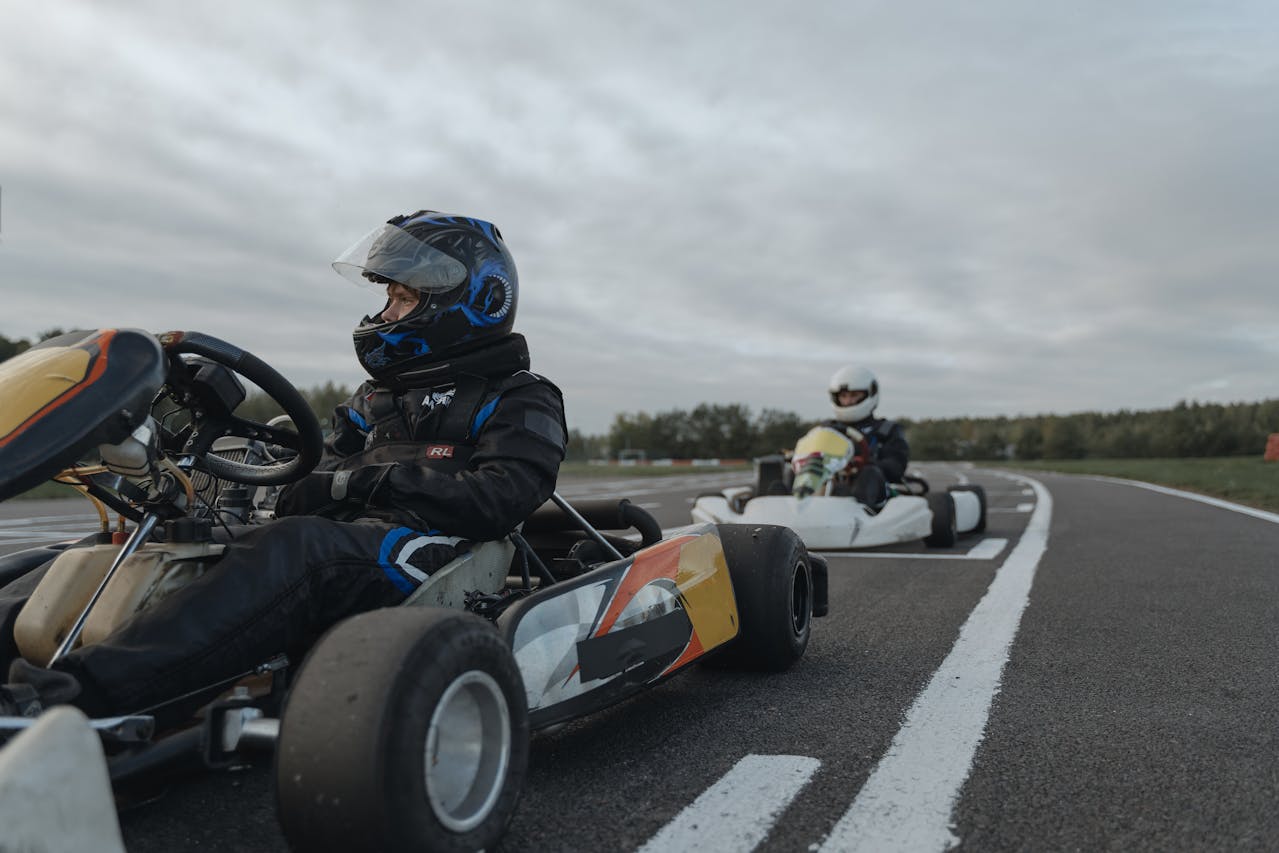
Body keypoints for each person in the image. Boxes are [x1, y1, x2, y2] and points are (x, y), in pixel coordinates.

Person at [0, 210, 567, 725]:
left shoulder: (522, 396)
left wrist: (357, 482)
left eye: (403, 299)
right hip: (348, 542)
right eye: (388, 297)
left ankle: (68, 704)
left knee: (294, 550)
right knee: (134, 547)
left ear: (469, 302)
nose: (385, 313)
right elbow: (320, 466)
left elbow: (502, 498)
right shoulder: (379, 399)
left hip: (434, 556)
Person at [820, 365, 909, 508]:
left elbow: (896, 468)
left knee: (869, 473)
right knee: (785, 471)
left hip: (871, 497)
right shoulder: (826, 429)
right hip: (826, 490)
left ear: (870, 394)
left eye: (854, 395)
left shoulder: (886, 429)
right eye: (843, 396)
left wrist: (865, 462)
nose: (848, 401)